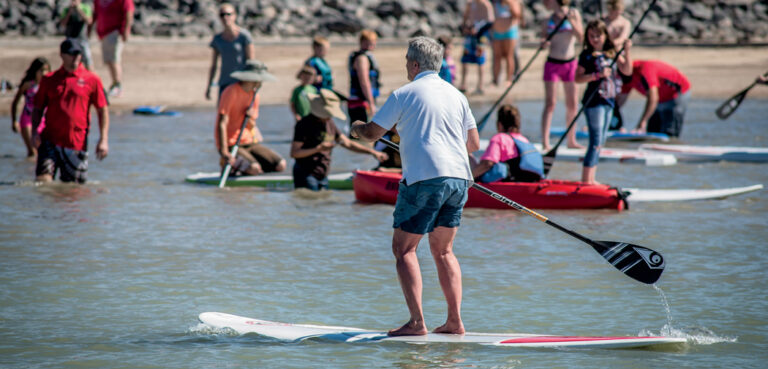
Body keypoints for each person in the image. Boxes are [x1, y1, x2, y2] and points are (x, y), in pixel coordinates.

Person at [350, 37, 481, 336]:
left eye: (407, 62)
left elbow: (371, 132)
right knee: (444, 251)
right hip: (460, 179)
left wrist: (356, 128)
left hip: (425, 178)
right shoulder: (457, 95)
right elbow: (472, 144)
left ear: (415, 64)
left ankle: (417, 323)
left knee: (404, 249)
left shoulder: (403, 94)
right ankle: (454, 321)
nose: (406, 67)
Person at [32, 39, 109, 183]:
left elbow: (102, 110)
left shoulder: (92, 79)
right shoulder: (49, 79)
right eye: (71, 53)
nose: (75, 57)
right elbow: (37, 108)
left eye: (78, 53)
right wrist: (35, 132)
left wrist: (103, 140)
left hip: (76, 143)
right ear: (62, 55)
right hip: (50, 140)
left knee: (73, 191)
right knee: (42, 183)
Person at [291, 89, 387, 191]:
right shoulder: (304, 125)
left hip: (323, 174)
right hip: (306, 173)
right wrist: (318, 148)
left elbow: (347, 143)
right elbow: (295, 153)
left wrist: (372, 152)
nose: (330, 115)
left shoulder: (329, 122)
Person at [574, 20, 632, 184]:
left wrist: (627, 52)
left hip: (609, 101)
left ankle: (592, 177)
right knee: (595, 140)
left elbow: (627, 70)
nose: (595, 39)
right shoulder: (586, 55)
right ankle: (586, 180)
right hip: (594, 102)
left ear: (605, 35)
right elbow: (577, 78)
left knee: (601, 142)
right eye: (591, 36)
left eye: (598, 35)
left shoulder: (611, 53)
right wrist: (596, 75)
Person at [216, 60, 286, 177]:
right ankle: (235, 167)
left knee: (280, 165)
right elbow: (222, 123)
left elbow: (252, 125)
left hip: (249, 142)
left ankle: (249, 170)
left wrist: (250, 117)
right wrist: (224, 152)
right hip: (232, 143)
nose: (260, 83)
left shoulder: (255, 96)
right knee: (254, 168)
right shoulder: (231, 92)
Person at [540, 0, 583, 151]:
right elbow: (544, 39)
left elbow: (581, 37)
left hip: (570, 63)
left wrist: (571, 21)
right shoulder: (548, 20)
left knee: (572, 104)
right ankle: (545, 142)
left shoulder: (574, 14)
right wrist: (543, 43)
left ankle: (571, 140)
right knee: (550, 103)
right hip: (552, 63)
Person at [617, 60, 690, 138]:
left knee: (669, 131)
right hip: (659, 99)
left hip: (676, 94)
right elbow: (619, 101)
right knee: (652, 130)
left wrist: (642, 121)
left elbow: (653, 98)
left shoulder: (645, 70)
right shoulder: (625, 77)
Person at [471, 104, 543, 183]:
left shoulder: (499, 138)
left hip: (507, 185)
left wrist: (469, 178)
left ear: (500, 124)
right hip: (529, 182)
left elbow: (487, 164)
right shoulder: (524, 140)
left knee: (469, 156)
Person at [206, 3, 255, 101]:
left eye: (228, 14)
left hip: (241, 83)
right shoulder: (217, 39)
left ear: (234, 15)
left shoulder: (244, 36)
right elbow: (214, 65)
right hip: (225, 82)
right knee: (223, 114)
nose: (225, 17)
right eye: (222, 15)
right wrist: (209, 86)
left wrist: (252, 83)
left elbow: (251, 62)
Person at [10, 58, 51, 158]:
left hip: (42, 121)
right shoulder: (28, 85)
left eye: (46, 70)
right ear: (35, 71)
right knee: (33, 151)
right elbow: (15, 102)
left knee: (40, 151)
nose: (44, 73)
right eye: (41, 70)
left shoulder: (49, 86)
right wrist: (14, 121)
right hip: (27, 119)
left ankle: (31, 170)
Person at [92, 0, 133, 97]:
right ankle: (114, 83)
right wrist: (90, 28)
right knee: (108, 60)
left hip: (115, 31)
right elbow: (95, 13)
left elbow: (128, 12)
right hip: (104, 32)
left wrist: (126, 30)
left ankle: (117, 85)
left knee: (114, 59)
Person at [458, 0, 494, 94]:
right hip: (470, 35)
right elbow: (465, 17)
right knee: (465, 59)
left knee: (480, 60)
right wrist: (465, 27)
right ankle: (463, 84)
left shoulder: (486, 4)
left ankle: (480, 85)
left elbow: (490, 21)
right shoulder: (470, 4)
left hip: (480, 36)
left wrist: (479, 29)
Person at [348, 29, 381, 126]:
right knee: (362, 134)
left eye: (373, 42)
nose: (371, 45)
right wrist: (371, 103)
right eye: (367, 42)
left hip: (363, 100)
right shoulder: (362, 58)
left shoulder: (366, 57)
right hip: (360, 102)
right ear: (361, 42)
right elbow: (364, 81)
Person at [490, 0, 522, 86]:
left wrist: (509, 4)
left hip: (510, 31)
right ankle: (495, 80)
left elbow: (517, 15)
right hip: (497, 32)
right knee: (497, 56)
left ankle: (509, 79)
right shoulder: (495, 3)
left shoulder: (513, 2)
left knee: (509, 55)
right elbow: (490, 16)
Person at [60, 0, 94, 70]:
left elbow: (89, 21)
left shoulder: (85, 8)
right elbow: (63, 23)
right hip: (70, 40)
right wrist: (70, 11)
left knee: (87, 60)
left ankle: (90, 76)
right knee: (71, 61)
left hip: (82, 39)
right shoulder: (67, 9)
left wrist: (79, 9)